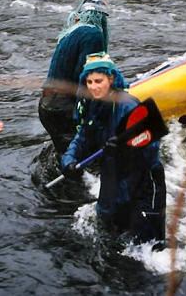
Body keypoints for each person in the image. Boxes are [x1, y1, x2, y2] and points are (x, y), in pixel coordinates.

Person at [61, 53, 166, 249]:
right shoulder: (94, 103)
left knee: (148, 246)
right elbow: (83, 135)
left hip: (143, 182)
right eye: (89, 82)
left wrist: (124, 148)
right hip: (113, 174)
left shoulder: (129, 105)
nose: (93, 87)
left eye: (98, 81)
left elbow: (152, 148)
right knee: (111, 233)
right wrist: (69, 159)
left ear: (111, 79)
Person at [38, 0, 109, 156]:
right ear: (101, 17)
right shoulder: (93, 35)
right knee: (84, 156)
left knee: (64, 155)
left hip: (46, 106)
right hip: (63, 109)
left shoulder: (70, 32)